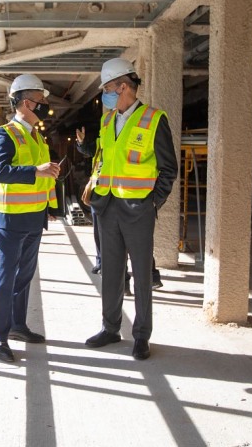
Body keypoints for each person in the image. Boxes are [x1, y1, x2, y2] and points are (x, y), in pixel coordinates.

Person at [84, 58, 178, 361]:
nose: (105, 95)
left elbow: (168, 169)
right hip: (107, 207)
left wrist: (152, 203)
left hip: (138, 209)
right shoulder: (107, 121)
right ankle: (110, 328)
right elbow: (102, 161)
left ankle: (141, 336)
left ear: (123, 86)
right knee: (110, 272)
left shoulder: (154, 119)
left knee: (141, 274)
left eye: (108, 89)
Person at [0, 73, 60, 363]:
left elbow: (43, 174)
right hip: (10, 219)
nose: (45, 106)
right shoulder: (5, 134)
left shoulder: (36, 135)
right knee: (6, 279)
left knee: (25, 276)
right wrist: (36, 171)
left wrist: (51, 204)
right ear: (27, 103)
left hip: (33, 217)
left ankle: (18, 326)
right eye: (41, 101)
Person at [76, 125, 162, 293]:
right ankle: (125, 280)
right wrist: (82, 143)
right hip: (103, 194)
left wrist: (155, 200)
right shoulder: (105, 140)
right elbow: (92, 151)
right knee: (117, 242)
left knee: (133, 242)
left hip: (129, 197)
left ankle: (147, 277)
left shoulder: (132, 138)